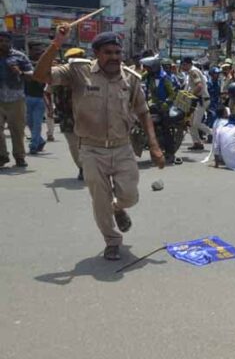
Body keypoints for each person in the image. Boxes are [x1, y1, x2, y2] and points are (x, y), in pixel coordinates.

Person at [33, 28, 164, 260]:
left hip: (123, 147)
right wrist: (56, 44)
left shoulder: (130, 79)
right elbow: (40, 75)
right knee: (100, 200)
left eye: (117, 52)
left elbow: (143, 112)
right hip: (91, 149)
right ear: (96, 53)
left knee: (130, 196)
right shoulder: (77, 71)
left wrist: (154, 146)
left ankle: (118, 207)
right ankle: (112, 240)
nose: (114, 57)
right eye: (108, 52)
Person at [47, 47, 85, 179]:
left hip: (88, 114)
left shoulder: (92, 71)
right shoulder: (61, 72)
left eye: (80, 56)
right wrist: (50, 108)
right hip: (66, 115)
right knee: (74, 144)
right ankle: (82, 167)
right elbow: (48, 90)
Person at [0, 31, 32, 168]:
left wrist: (20, 72)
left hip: (16, 98)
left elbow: (32, 74)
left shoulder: (19, 56)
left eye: (6, 41)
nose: (3, 43)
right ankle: (2, 156)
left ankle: (19, 156)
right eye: (0, 41)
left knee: (17, 130)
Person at [181, 56, 211, 150]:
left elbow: (199, 86)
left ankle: (215, 134)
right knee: (190, 122)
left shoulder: (193, 72)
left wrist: (188, 95)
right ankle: (197, 143)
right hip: (197, 100)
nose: (182, 67)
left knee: (196, 123)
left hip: (202, 100)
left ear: (188, 64)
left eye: (184, 64)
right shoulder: (191, 72)